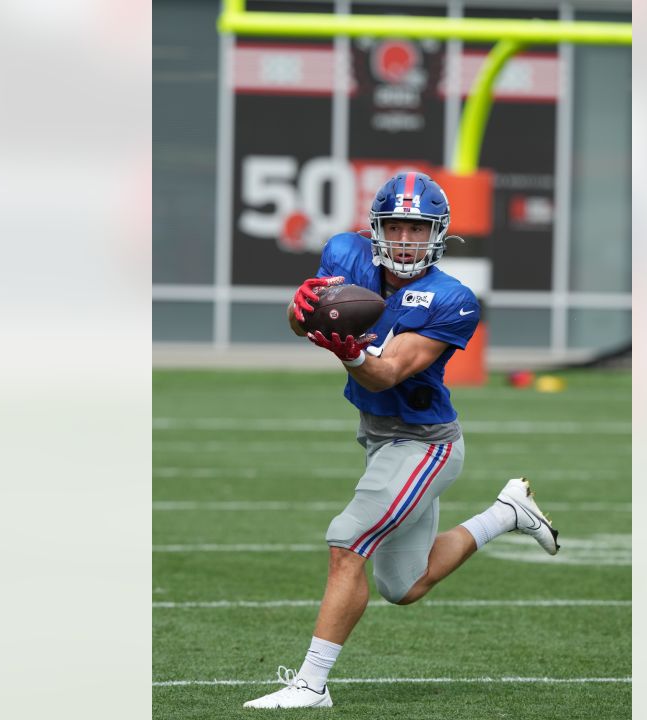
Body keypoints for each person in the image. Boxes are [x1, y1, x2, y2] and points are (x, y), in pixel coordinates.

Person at [242, 172, 561, 710]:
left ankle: (310, 685)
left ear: (437, 233)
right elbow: (309, 320)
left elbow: (388, 372)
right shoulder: (346, 254)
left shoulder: (451, 298)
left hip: (425, 445)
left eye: (418, 228)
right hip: (378, 437)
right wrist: (299, 312)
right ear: (376, 227)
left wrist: (348, 352)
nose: (407, 239)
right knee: (404, 585)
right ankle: (506, 513)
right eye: (397, 226)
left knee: (347, 542)